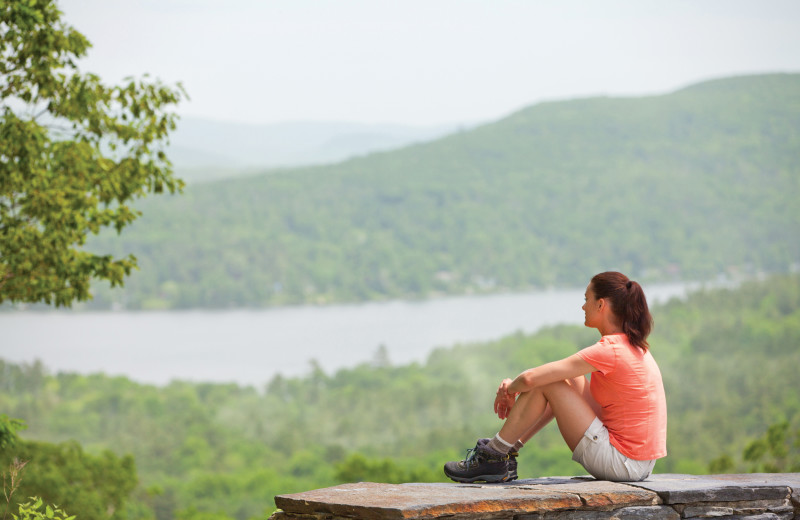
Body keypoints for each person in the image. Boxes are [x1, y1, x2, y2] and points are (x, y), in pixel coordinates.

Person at [443, 271, 667, 483]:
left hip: (623, 464)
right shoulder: (632, 345)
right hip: (639, 463)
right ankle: (506, 453)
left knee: (549, 384)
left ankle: (494, 455)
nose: (582, 306)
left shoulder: (610, 349)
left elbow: (531, 379)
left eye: (586, 299)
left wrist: (509, 389)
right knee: (572, 379)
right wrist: (513, 388)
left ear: (601, 305)